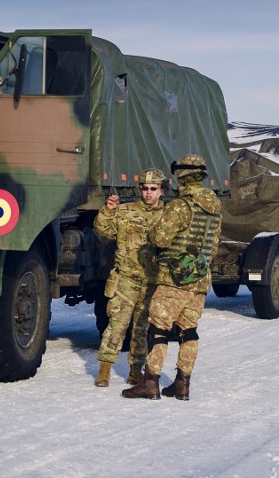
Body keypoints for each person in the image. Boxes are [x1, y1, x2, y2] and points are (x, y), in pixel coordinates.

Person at [122, 154, 221, 401]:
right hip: (199, 279)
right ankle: (182, 385)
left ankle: (151, 382)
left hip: (174, 279)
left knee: (159, 328)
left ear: (182, 177)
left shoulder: (180, 205)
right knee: (189, 331)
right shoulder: (215, 207)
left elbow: (161, 239)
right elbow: (214, 246)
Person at [93, 168, 166, 387]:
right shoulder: (125, 211)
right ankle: (104, 369)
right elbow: (103, 230)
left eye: (153, 189)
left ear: (161, 190)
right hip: (126, 278)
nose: (148, 193)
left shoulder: (168, 217)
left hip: (152, 280)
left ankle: (136, 370)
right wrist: (108, 210)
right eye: (145, 189)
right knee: (117, 325)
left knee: (142, 329)